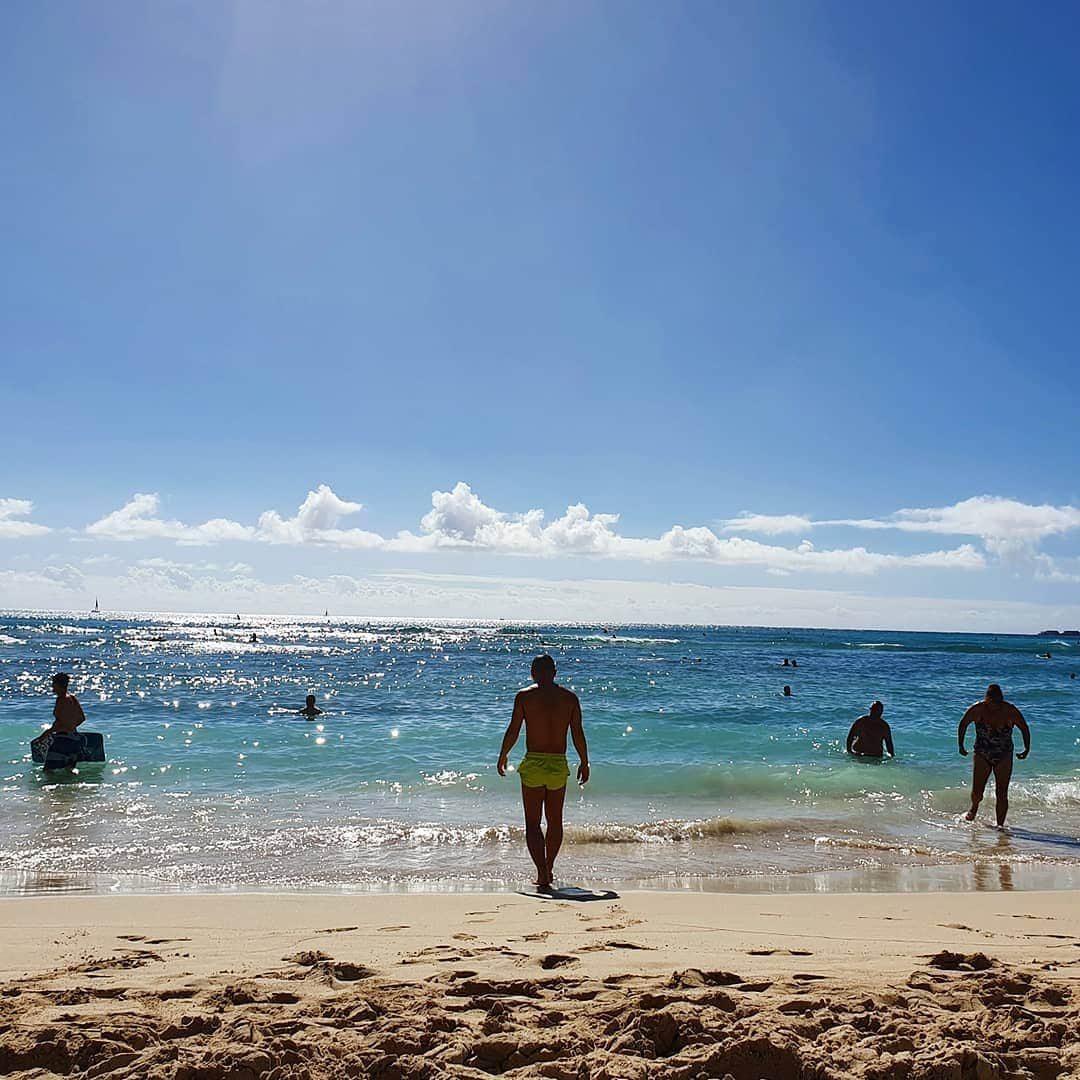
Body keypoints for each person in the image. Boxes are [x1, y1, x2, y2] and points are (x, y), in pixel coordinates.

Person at [497, 654, 589, 889]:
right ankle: (549, 867)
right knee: (555, 821)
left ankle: (541, 873)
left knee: (532, 822)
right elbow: (577, 733)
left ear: (532, 673)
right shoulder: (569, 698)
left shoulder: (525, 697)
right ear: (555, 672)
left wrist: (503, 755)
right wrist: (584, 761)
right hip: (558, 764)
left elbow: (514, 730)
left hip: (534, 764)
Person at [958, 683, 1031, 827]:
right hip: (982, 753)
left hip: (1004, 754)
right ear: (986, 699)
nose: (995, 706)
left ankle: (1000, 826)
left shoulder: (1010, 710)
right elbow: (963, 723)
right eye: (992, 702)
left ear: (1002, 700)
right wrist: (961, 744)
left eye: (998, 703)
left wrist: (1027, 748)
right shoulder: (977, 709)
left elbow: (1024, 727)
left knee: (1002, 792)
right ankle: (974, 807)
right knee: (977, 791)